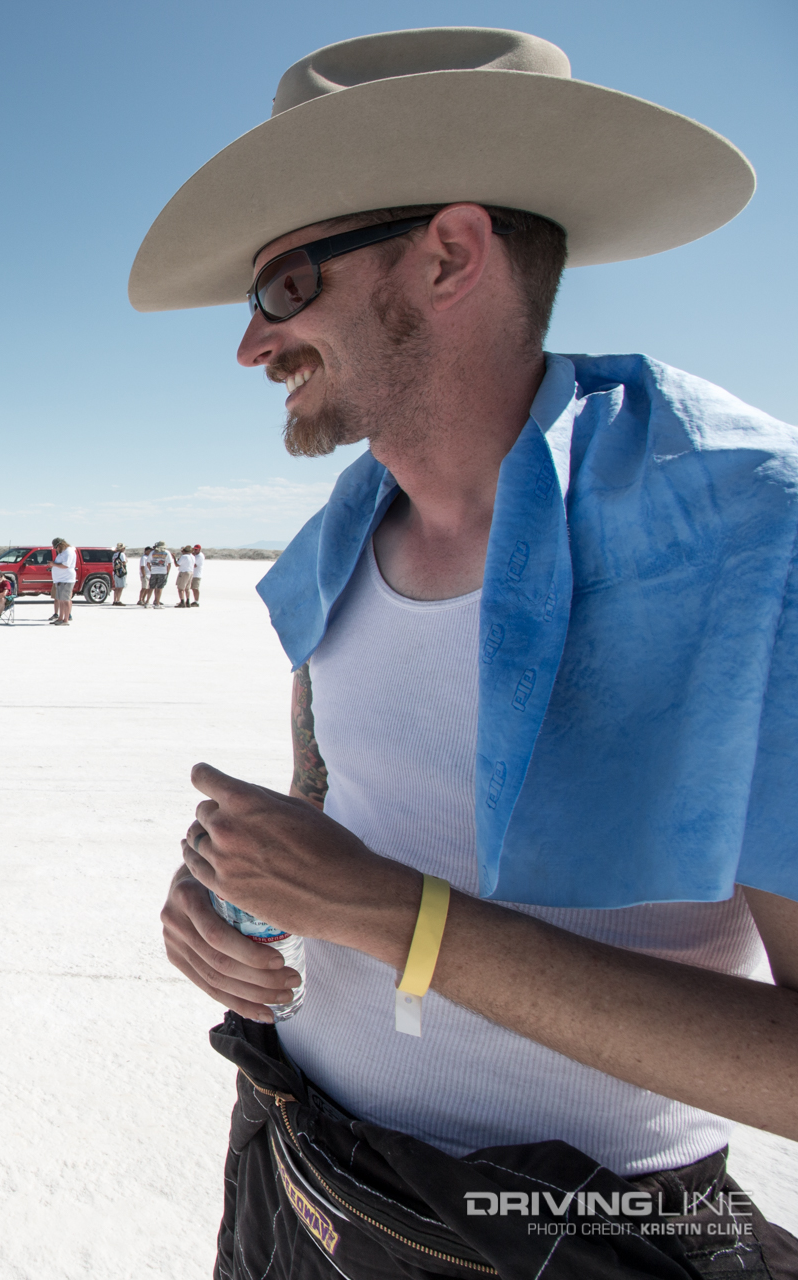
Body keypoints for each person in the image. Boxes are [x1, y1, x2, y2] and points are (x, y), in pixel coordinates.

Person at [132, 27, 798, 1276]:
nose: (249, 343)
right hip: (297, 1163)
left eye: (285, 287)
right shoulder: (344, 536)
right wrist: (227, 895)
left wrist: (398, 918)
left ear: (447, 255)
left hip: (579, 1233)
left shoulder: (748, 532)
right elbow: (330, 812)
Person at [48, 536, 77, 625]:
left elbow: (66, 565)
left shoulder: (68, 552)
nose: (56, 549)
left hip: (66, 579)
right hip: (60, 579)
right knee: (60, 599)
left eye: (56, 547)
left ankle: (66, 620)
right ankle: (60, 618)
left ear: (60, 545)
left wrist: (53, 564)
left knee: (66, 600)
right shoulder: (62, 552)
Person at [148, 542, 171, 608]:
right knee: (159, 588)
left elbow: (148, 563)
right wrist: (167, 572)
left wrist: (151, 570)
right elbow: (169, 563)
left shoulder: (152, 552)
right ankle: (157, 603)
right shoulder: (166, 552)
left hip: (153, 572)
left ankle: (147, 602)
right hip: (162, 572)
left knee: (151, 587)